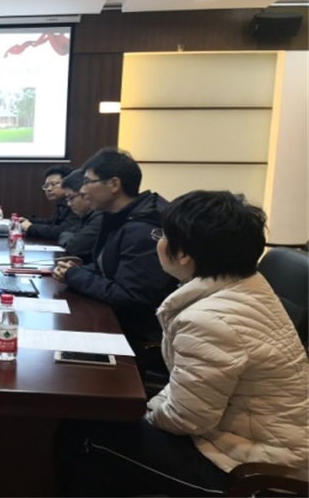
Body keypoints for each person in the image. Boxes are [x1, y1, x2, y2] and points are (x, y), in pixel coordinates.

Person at [56, 190, 309, 496]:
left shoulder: (210, 320)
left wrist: (144, 412)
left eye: (163, 235)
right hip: (249, 439)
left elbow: (187, 418)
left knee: (84, 429)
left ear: (185, 254)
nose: (158, 241)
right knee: (101, 416)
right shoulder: (248, 287)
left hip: (245, 468)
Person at [53, 148, 177, 345]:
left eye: (87, 181)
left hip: (137, 334)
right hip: (117, 320)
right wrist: (76, 271)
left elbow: (131, 298)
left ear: (114, 184)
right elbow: (109, 267)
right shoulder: (120, 217)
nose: (82, 190)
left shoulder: (142, 229)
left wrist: (75, 276)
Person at [20, 164, 80, 240]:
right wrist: (29, 221)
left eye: (53, 184)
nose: (49, 189)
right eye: (46, 185)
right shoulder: (62, 204)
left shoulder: (77, 204)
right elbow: (52, 223)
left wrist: (30, 227)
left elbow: (62, 231)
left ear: (68, 183)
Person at [56, 169, 103, 264]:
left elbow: (74, 246)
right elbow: (64, 233)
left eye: (71, 198)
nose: (69, 204)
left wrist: (72, 238)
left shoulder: (99, 218)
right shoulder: (86, 216)